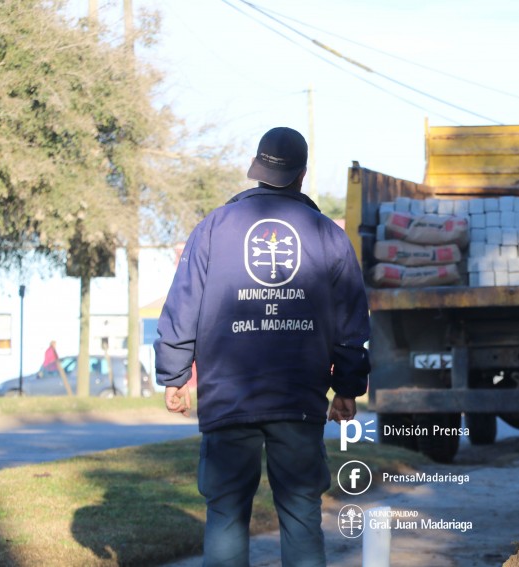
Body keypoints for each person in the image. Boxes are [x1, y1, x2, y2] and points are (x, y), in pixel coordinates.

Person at [154, 126, 370, 567]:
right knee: (301, 514)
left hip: (228, 399)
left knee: (226, 514)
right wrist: (347, 388)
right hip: (299, 400)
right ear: (302, 174)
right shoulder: (327, 235)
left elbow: (182, 306)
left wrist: (174, 375)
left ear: (256, 168)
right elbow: (350, 322)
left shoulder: (212, 227)